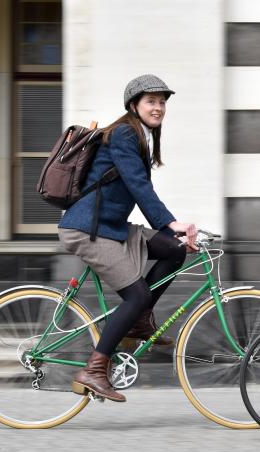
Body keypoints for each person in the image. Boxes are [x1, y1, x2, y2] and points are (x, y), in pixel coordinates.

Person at [58, 74, 197, 402]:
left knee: (174, 251)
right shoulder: (123, 133)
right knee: (135, 295)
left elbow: (137, 186)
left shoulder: (141, 136)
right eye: (151, 101)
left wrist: (170, 232)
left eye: (162, 102)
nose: (158, 107)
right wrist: (169, 221)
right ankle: (94, 370)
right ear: (133, 105)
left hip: (112, 227)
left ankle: (138, 323)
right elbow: (139, 186)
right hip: (87, 230)